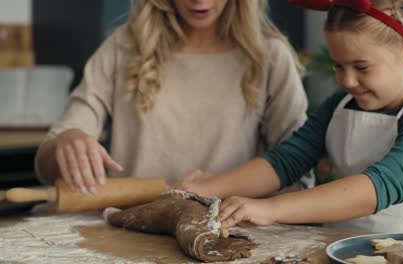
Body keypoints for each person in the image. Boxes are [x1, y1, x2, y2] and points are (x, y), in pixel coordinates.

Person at [175, 0, 403, 233]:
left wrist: (272, 208)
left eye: (361, 67)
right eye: (339, 66)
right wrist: (206, 188)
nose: (347, 80)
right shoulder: (339, 105)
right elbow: (285, 161)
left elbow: (379, 187)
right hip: (346, 248)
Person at [34, 0, 308, 195]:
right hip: (128, 231)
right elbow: (46, 163)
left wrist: (230, 187)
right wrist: (67, 142)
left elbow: (298, 174)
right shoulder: (124, 47)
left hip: (228, 232)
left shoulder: (269, 56)